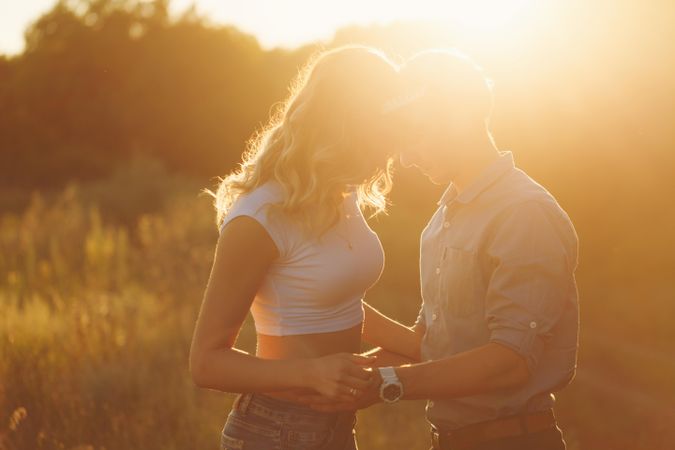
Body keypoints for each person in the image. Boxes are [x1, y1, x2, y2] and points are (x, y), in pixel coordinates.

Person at [303, 49, 580, 450]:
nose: (406, 159)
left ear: (459, 117)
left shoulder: (523, 212)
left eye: (415, 136)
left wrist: (385, 384)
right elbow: (431, 345)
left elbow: (511, 362)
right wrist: (342, 334)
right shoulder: (442, 219)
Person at [188, 46, 423, 450]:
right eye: (382, 135)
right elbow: (206, 363)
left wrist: (421, 347)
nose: (390, 152)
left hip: (335, 428)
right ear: (344, 125)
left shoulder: (338, 191)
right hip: (273, 432)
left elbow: (331, 299)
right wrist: (311, 373)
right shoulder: (258, 217)